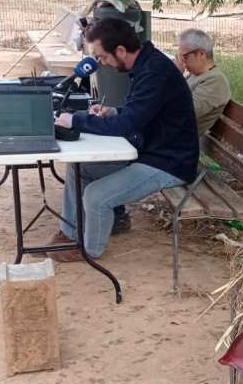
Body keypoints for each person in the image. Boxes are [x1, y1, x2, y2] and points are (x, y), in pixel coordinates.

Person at [47, 18, 198, 262]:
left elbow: (127, 125)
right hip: (150, 150)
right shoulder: (147, 65)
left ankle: (88, 250)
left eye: (104, 57)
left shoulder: (154, 72)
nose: (103, 63)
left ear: (120, 50)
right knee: (80, 169)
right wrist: (113, 111)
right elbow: (136, 113)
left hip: (169, 162)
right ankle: (69, 234)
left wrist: (76, 120)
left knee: (96, 197)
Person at [111, 28, 231, 234]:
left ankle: (115, 212)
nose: (182, 62)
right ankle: (113, 210)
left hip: (174, 150)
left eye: (184, 57)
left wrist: (175, 75)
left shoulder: (214, 81)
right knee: (117, 143)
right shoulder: (196, 76)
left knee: (120, 147)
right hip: (168, 140)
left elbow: (182, 113)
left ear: (201, 53)